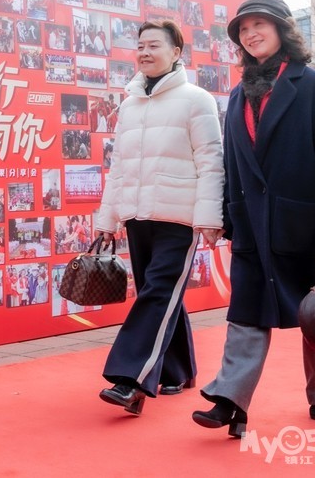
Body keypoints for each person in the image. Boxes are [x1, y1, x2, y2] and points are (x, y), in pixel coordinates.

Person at [193, 0, 315, 435]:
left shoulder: (313, 86)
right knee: (245, 311)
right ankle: (230, 399)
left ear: (282, 28)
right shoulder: (237, 94)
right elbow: (232, 162)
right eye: (243, 30)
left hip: (306, 226)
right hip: (251, 223)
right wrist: (226, 217)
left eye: (259, 25)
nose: (250, 34)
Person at [93, 20, 224, 416]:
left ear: (176, 52)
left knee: (158, 292)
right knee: (161, 293)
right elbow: (119, 166)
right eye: (140, 46)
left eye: (154, 45)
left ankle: (130, 379)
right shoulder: (130, 104)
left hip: (178, 217)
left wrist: (209, 218)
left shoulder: (196, 99)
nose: (145, 53)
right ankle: (178, 370)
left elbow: (211, 162)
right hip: (137, 216)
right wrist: (107, 219)